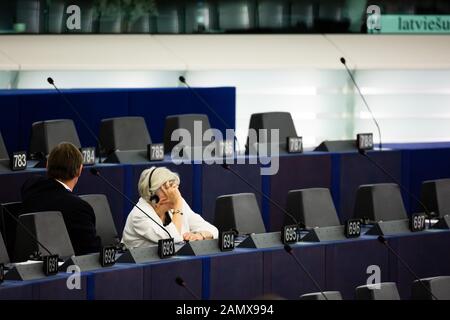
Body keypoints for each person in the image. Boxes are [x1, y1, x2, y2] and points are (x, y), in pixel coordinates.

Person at [21, 142, 102, 255]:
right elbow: (91, 253)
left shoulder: (30, 186)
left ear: (47, 166)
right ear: (80, 170)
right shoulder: (79, 208)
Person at [122, 166, 218, 247]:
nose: (176, 192)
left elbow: (213, 230)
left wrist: (200, 235)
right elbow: (173, 240)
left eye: (175, 186)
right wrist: (177, 204)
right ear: (154, 193)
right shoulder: (139, 215)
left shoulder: (179, 203)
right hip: (142, 267)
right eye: (169, 187)